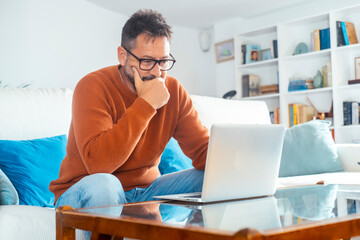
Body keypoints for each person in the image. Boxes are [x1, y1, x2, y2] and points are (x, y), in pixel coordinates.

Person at [49, 9, 209, 211]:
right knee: (106, 184)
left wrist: (240, 166)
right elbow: (99, 166)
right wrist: (146, 104)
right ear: (123, 56)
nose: (157, 73)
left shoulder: (173, 90)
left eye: (164, 61)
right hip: (85, 191)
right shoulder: (92, 86)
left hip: (145, 192)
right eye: (147, 62)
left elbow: (203, 149)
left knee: (211, 178)